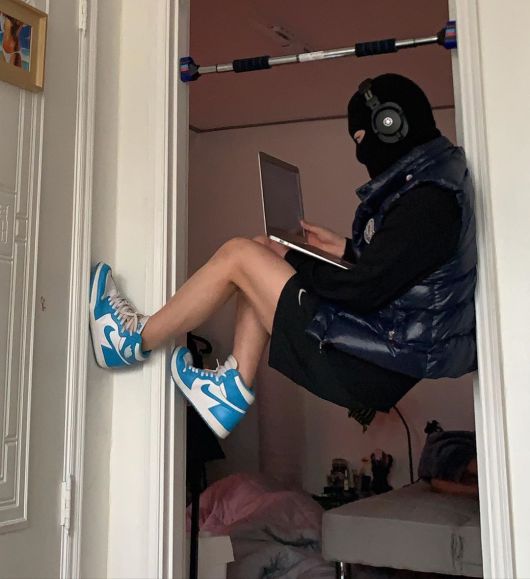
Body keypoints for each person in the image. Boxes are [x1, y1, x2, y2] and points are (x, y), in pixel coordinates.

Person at [89, 73, 477, 439]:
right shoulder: (436, 180)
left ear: (390, 124)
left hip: (369, 363)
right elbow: (407, 272)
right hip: (383, 353)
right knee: (261, 247)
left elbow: (365, 290)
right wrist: (344, 249)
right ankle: (230, 389)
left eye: (362, 137)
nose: (361, 151)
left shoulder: (429, 201)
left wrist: (295, 259)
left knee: (238, 255)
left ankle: (129, 341)